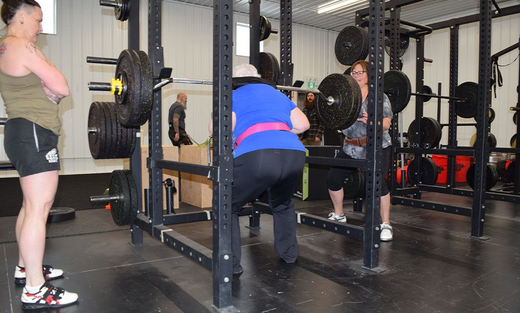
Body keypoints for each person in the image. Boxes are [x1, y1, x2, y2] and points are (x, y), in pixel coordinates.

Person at [0, 0, 79, 309]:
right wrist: (52, 83)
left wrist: (50, 84)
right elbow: (62, 85)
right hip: (34, 131)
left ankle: (25, 267)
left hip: (21, 131)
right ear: (20, 17)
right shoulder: (21, 46)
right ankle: (35, 288)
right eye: (38, 19)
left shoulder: (4, 46)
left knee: (30, 205)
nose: (41, 27)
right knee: (39, 208)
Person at [209, 64, 309, 275]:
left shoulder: (233, 94)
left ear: (234, 80)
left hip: (258, 156)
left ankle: (231, 265)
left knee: (226, 204)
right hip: (295, 154)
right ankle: (289, 254)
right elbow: (303, 125)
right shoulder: (278, 94)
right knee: (282, 203)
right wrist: (276, 130)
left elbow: (216, 130)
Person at [326, 60, 394, 242]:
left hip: (376, 146)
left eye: (360, 72)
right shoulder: (346, 97)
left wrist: (371, 121)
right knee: (333, 179)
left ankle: (385, 223)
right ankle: (339, 213)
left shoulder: (379, 97)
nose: (356, 76)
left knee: (379, 185)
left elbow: (386, 124)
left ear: (369, 75)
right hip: (351, 146)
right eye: (353, 73)